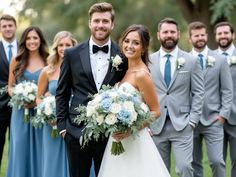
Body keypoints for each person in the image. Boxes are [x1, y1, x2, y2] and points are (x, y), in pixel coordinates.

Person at [56, 2, 127, 177]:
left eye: (105, 21)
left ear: (112, 24)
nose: (100, 25)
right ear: (90, 23)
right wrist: (63, 128)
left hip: (111, 133)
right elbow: (62, 92)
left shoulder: (123, 55)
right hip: (75, 132)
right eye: (96, 21)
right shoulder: (72, 54)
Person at [98, 24, 170, 177]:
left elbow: (155, 111)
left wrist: (130, 130)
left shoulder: (142, 74)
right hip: (118, 139)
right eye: (127, 41)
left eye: (136, 43)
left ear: (143, 48)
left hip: (135, 140)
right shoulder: (124, 69)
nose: (130, 46)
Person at [149, 18, 204, 177]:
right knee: (159, 171)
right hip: (156, 125)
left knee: (185, 168)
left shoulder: (191, 60)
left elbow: (199, 92)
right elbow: (143, 93)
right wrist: (146, 123)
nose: (169, 35)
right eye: (165, 32)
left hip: (182, 124)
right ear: (159, 35)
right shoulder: (149, 60)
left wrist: (193, 120)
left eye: (172, 32)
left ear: (178, 34)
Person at [188, 21, 233, 177]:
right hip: (190, 119)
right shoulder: (184, 60)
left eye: (202, 34)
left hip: (214, 119)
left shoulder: (219, 59)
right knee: (194, 162)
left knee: (216, 161)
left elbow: (227, 90)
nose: (200, 38)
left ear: (206, 36)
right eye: (196, 35)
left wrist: (223, 115)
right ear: (190, 39)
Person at [6, 26, 48, 177]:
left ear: (40, 40)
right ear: (24, 41)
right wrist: (19, 96)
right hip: (20, 112)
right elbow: (10, 87)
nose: (32, 41)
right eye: (29, 38)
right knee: (20, 148)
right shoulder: (16, 60)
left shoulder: (48, 60)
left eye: (35, 38)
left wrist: (38, 100)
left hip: (41, 113)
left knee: (40, 148)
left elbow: (51, 87)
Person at [36, 31, 77, 177]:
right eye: (60, 45)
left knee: (76, 161)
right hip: (52, 125)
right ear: (55, 47)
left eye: (67, 45)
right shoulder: (47, 71)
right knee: (52, 160)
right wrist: (47, 112)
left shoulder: (79, 68)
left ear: (73, 46)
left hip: (74, 122)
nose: (64, 48)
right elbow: (39, 97)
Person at [214, 21, 236, 177]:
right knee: (217, 160)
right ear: (215, 36)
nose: (223, 36)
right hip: (215, 117)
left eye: (226, 33)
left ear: (232, 35)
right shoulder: (210, 58)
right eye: (220, 33)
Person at [0, 14, 17, 168]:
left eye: (10, 25)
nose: (7, 29)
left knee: (18, 146)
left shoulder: (26, 47)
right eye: (4, 26)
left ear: (15, 27)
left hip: (22, 107)